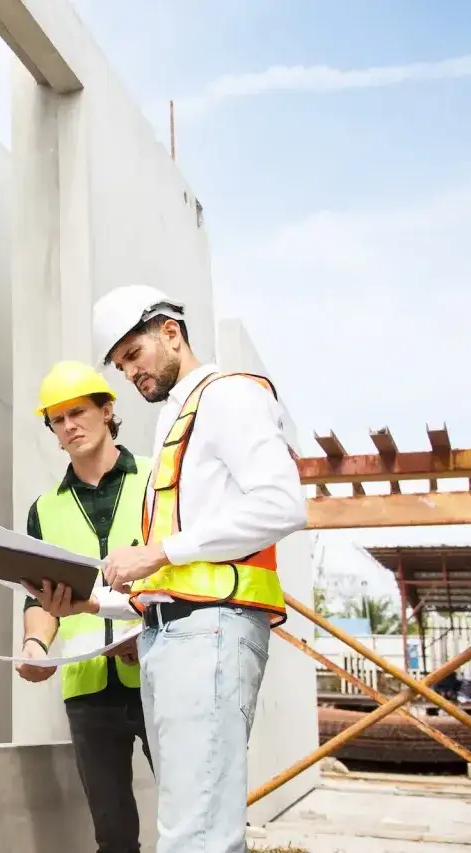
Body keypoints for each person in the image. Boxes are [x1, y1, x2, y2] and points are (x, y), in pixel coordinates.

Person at [89, 284, 306, 853]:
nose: (130, 374)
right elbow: (174, 571)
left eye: (133, 356)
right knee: (187, 826)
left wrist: (161, 551)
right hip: (176, 635)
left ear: (170, 331)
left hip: (210, 632)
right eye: (120, 366)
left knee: (197, 835)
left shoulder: (227, 396)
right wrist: (88, 602)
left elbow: (283, 505)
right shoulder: (174, 422)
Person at [18, 360, 153, 853]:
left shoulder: (158, 484)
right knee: (113, 837)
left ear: (107, 410)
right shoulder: (45, 508)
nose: (69, 425)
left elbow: (184, 577)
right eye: (57, 419)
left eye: (78, 411)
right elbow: (39, 598)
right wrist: (34, 644)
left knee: (193, 817)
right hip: (88, 691)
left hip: (161, 674)